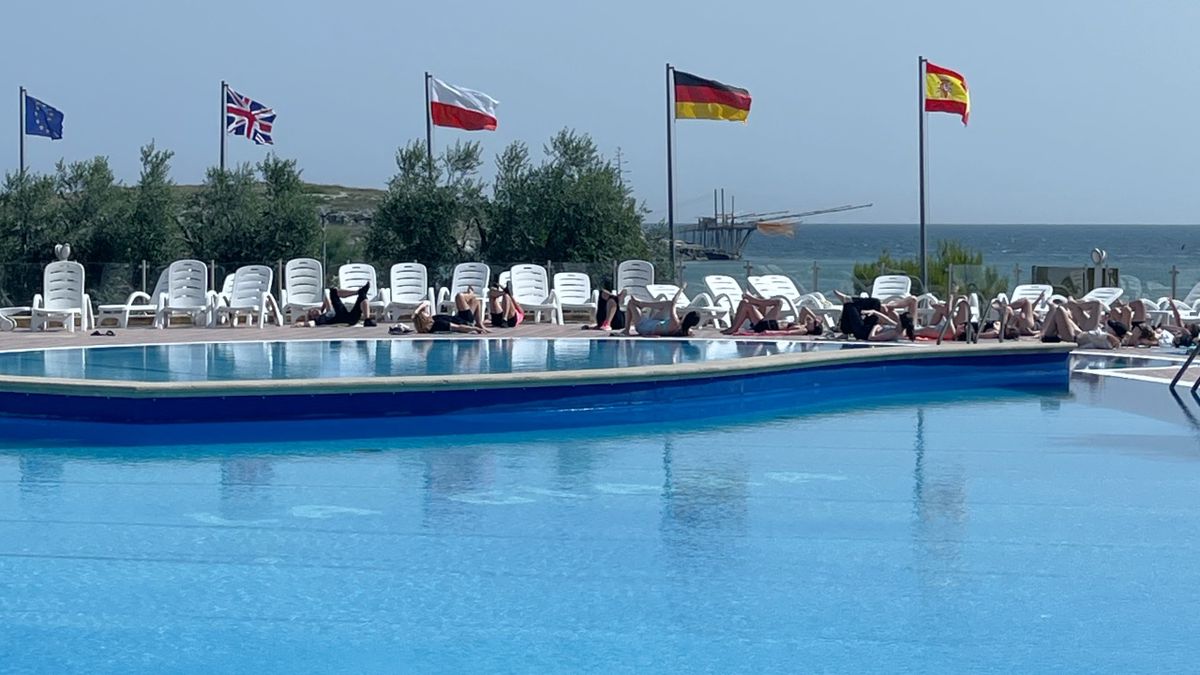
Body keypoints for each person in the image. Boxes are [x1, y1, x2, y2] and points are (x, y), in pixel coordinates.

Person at [721, 294, 824, 335]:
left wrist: (768, 333)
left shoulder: (803, 330)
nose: (812, 321)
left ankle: (755, 300)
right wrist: (816, 318)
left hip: (770, 326)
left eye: (814, 323)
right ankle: (733, 328)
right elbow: (804, 309)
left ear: (812, 329)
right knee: (745, 304)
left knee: (778, 302)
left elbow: (787, 333)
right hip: (767, 323)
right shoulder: (802, 323)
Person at [620, 286, 701, 337]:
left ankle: (627, 329)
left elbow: (673, 303)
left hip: (644, 326)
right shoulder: (687, 331)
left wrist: (681, 289)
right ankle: (642, 304)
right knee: (668, 305)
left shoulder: (675, 322)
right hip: (655, 323)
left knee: (631, 303)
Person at [294, 284, 376, 327]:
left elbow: (326, 299)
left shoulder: (326, 313)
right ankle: (358, 291)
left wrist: (322, 309)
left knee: (363, 297)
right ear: (312, 317)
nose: (313, 310)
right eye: (311, 312)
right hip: (340, 317)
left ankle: (367, 320)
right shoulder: (318, 320)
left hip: (350, 318)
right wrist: (302, 323)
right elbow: (308, 324)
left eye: (313, 309)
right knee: (333, 291)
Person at [410, 299, 489, 334]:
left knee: (475, 300)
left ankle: (479, 323)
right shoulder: (438, 324)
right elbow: (459, 327)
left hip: (458, 317)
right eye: (425, 313)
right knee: (459, 296)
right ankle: (479, 324)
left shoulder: (434, 320)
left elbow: (426, 302)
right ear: (425, 319)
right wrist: (475, 328)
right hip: (465, 321)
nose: (427, 311)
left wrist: (417, 311)